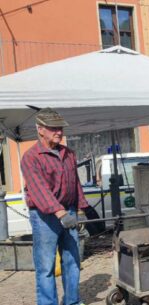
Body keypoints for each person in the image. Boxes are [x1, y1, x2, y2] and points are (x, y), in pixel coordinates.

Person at [21, 108, 88, 305]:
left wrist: (82, 209)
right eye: (53, 128)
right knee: (46, 267)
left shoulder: (69, 154)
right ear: (40, 129)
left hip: (69, 211)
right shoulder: (31, 157)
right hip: (44, 217)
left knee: (72, 262)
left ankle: (72, 301)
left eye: (60, 128)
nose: (58, 132)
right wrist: (60, 213)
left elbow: (75, 183)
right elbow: (39, 190)